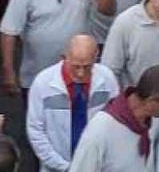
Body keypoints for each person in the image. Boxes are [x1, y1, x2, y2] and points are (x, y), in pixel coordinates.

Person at [25, 34, 118, 172]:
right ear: (64, 57)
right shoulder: (43, 83)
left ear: (96, 57)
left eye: (87, 67)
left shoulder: (107, 78)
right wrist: (63, 167)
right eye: (76, 66)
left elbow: (115, 122)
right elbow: (36, 131)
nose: (81, 73)